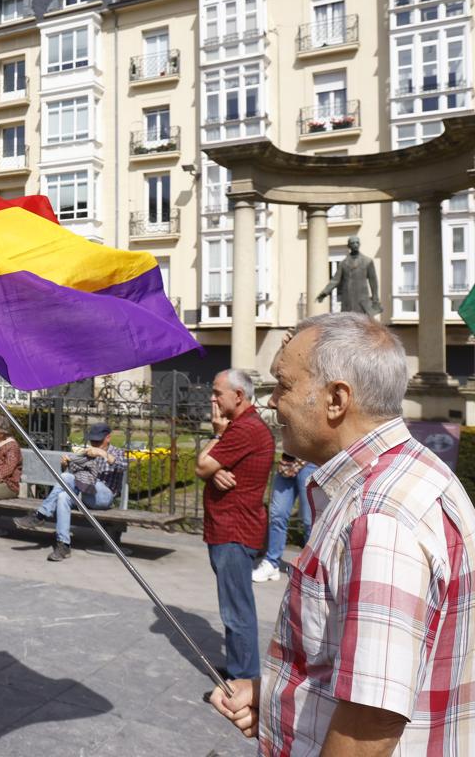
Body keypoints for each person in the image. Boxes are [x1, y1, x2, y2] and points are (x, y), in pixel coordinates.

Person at [211, 313, 475, 753]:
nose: (272, 401)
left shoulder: (380, 518)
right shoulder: (411, 474)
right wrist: (278, 698)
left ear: (336, 399)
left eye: (283, 384)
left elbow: (370, 722)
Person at [194, 368, 274, 685]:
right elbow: (211, 467)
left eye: (217, 393)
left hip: (234, 531)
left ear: (238, 396)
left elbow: (202, 463)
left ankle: (243, 677)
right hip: (229, 529)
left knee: (236, 609)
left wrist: (216, 435)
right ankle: (241, 667)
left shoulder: (244, 430)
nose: (212, 398)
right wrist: (215, 471)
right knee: (235, 604)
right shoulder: (242, 428)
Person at [17, 421, 126, 561]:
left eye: (98, 442)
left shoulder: (117, 452)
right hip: (86, 495)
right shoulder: (87, 453)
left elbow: (123, 466)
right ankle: (64, 545)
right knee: (63, 496)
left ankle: (40, 516)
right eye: (93, 441)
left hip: (104, 497)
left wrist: (102, 453)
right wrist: (66, 465)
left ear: (108, 438)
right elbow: (75, 477)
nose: (95, 444)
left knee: (67, 477)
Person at [251, 453, 316, 583]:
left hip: (311, 462)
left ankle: (311, 569)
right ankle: (272, 563)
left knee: (310, 521)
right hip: (287, 463)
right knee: (277, 515)